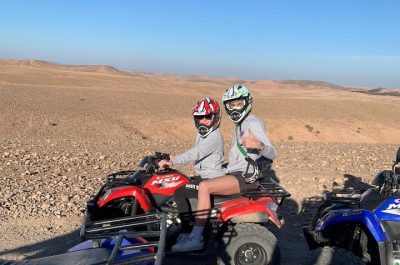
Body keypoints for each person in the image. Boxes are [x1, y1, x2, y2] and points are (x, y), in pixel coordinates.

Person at [173, 84, 276, 252]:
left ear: (247, 102)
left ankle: (196, 237)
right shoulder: (240, 125)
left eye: (238, 104)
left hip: (245, 177)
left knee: (205, 186)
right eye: (230, 105)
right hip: (237, 173)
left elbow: (272, 153)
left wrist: (259, 145)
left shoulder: (253, 122)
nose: (234, 108)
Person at [157, 97, 226, 251]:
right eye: (199, 117)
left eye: (207, 117)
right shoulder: (202, 134)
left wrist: (173, 162)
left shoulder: (214, 137)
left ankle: (193, 235)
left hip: (211, 178)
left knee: (180, 192)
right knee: (180, 184)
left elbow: (196, 153)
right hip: (203, 175)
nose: (203, 121)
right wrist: (172, 158)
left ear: (215, 118)